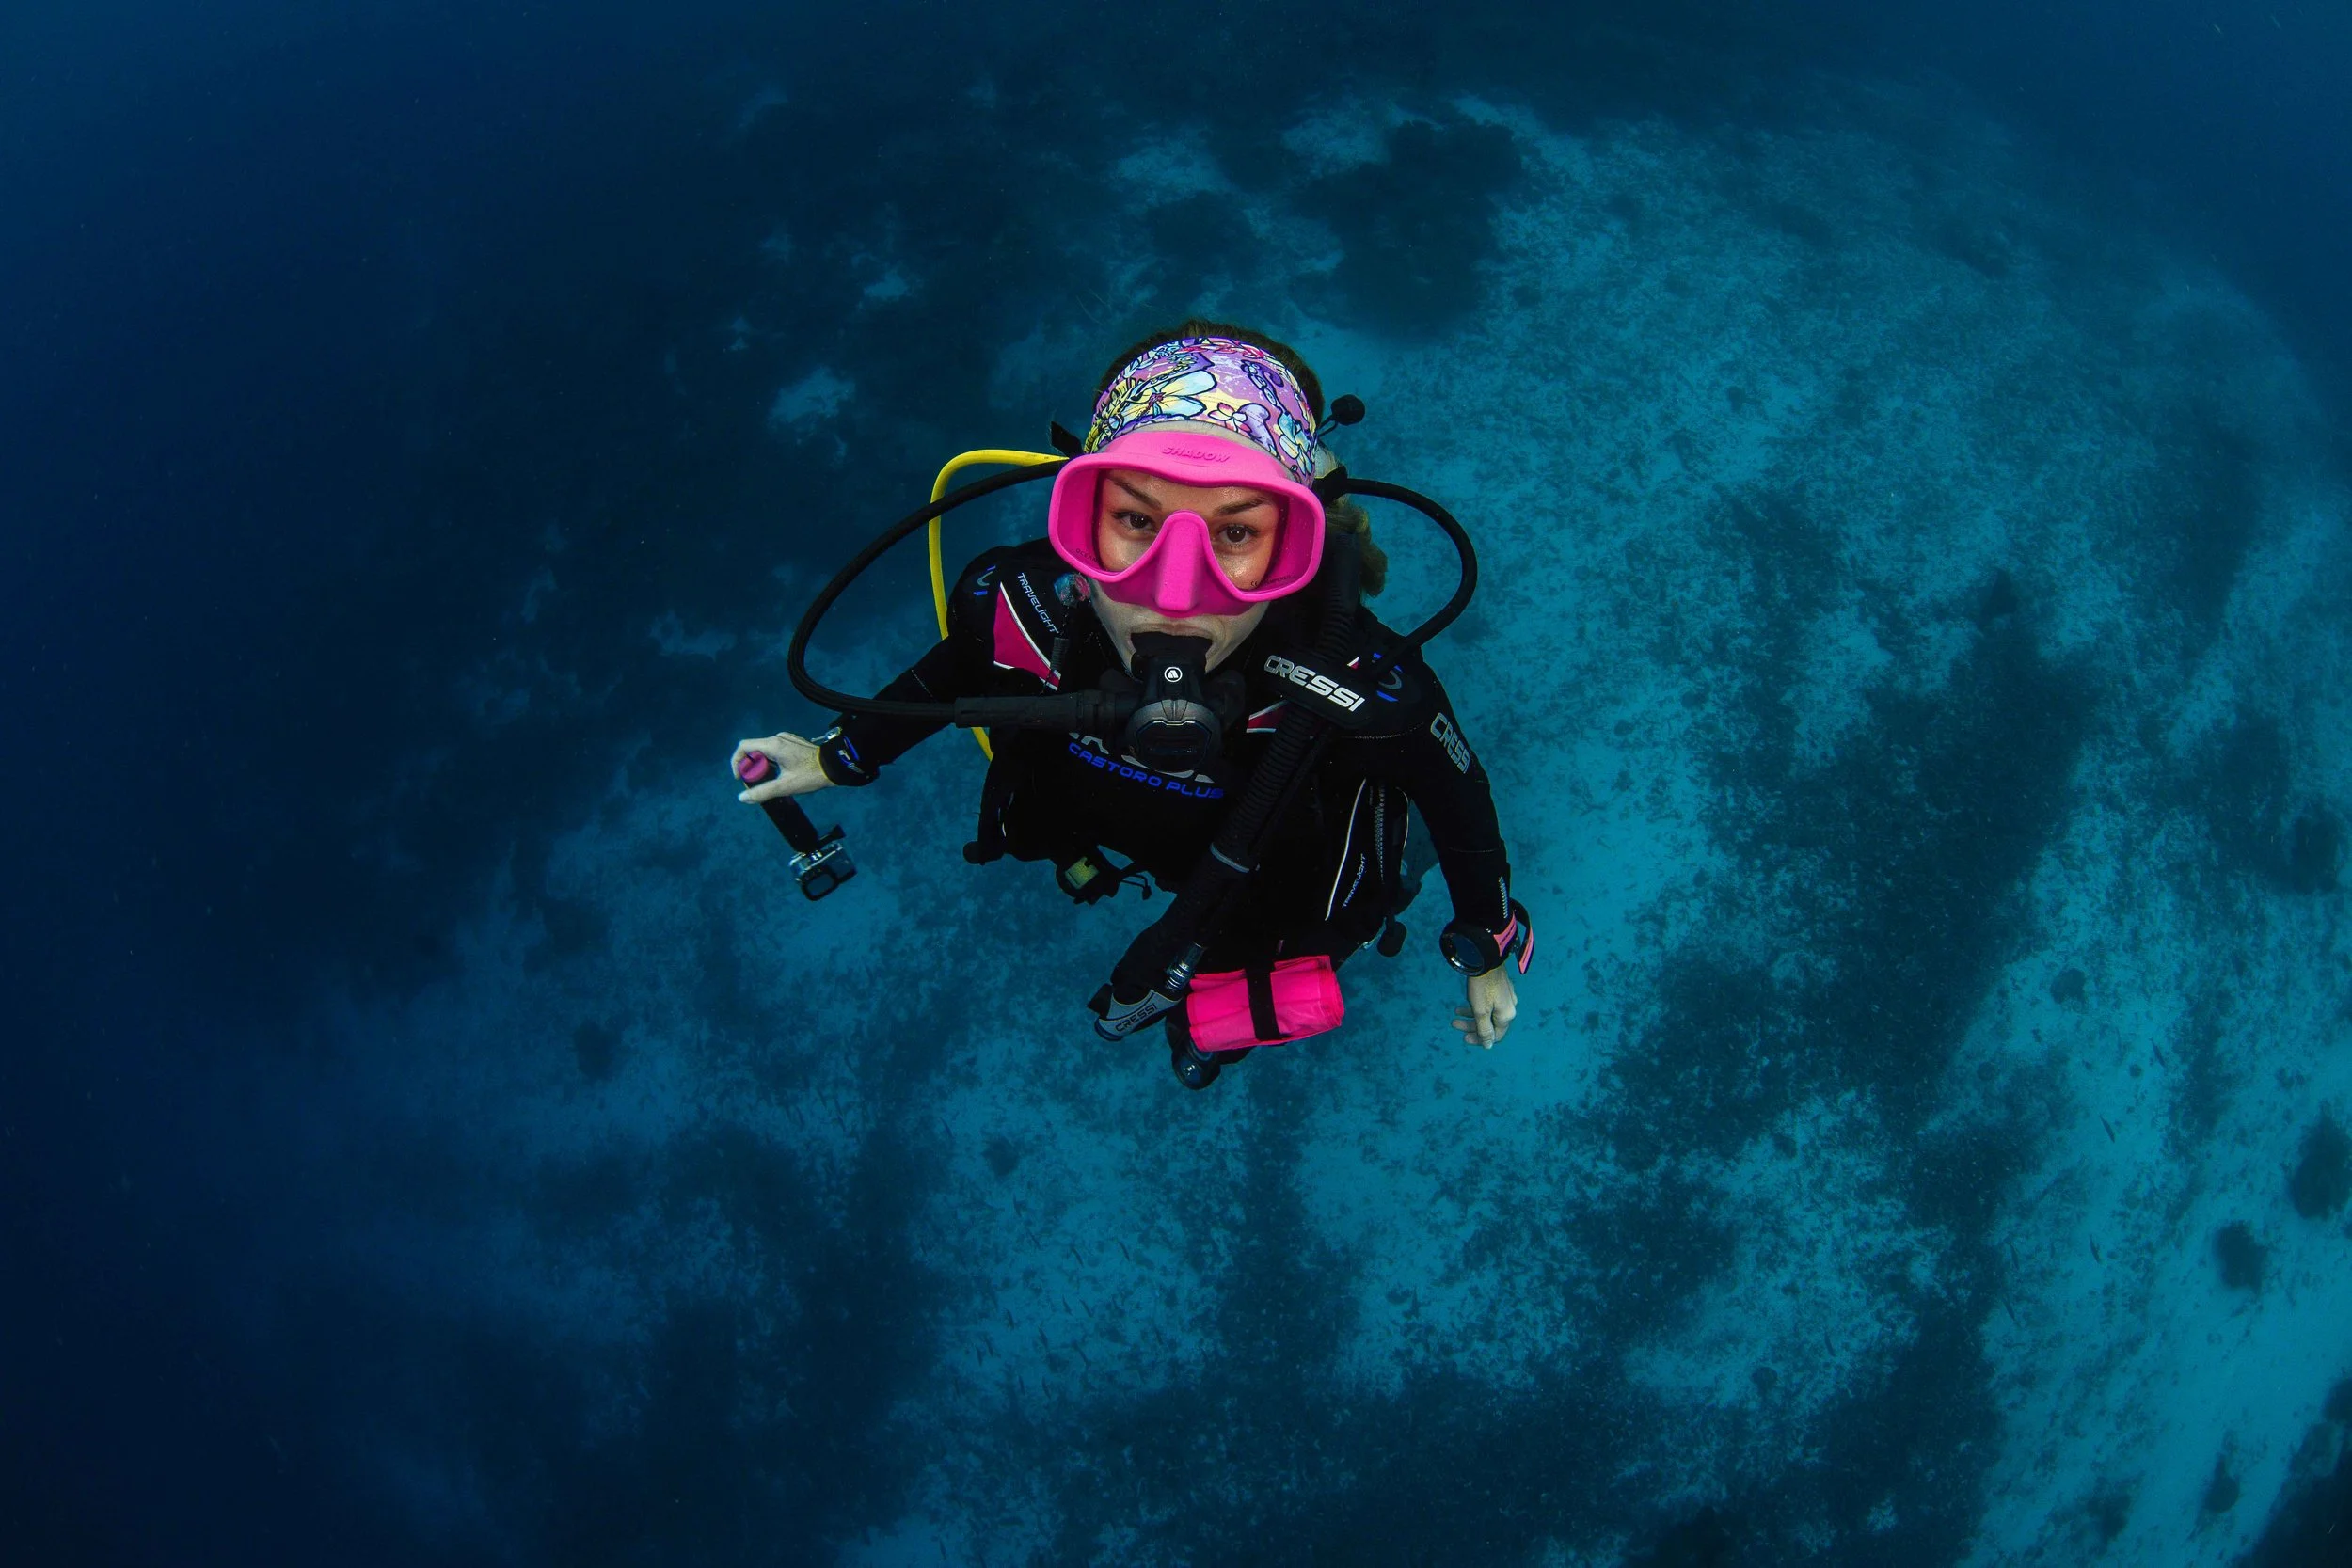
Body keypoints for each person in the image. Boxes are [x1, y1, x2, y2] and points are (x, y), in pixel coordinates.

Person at [733, 322, 1526, 1088]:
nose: (1174, 594)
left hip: (1263, 886)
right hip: (1120, 835)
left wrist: (1487, 943)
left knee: (1244, 995)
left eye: (1236, 533)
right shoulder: (1018, 605)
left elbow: (1456, 794)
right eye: (1137, 519)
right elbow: (954, 669)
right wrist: (841, 754)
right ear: (1082, 515)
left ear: (1291, 540)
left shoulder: (1359, 680)